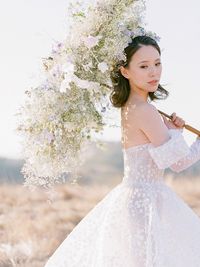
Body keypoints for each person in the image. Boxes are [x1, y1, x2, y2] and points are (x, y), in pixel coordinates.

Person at [44, 35, 200, 267]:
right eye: (144, 66)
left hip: (139, 197)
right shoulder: (145, 110)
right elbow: (177, 162)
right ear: (125, 71)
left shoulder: (132, 107)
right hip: (145, 200)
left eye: (157, 63)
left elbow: (162, 155)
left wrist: (172, 132)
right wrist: (191, 140)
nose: (154, 72)